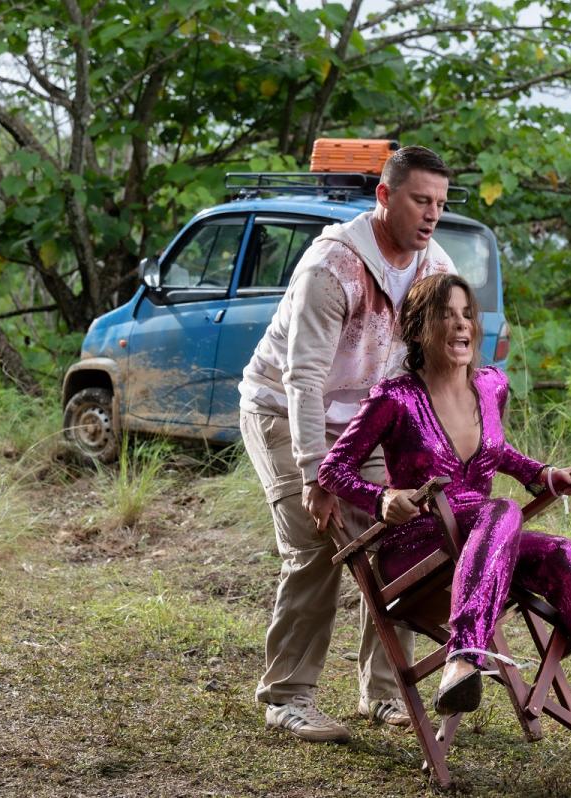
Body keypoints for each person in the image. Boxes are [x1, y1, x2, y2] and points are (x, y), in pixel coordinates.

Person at [318, 273, 571, 766]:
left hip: (485, 547)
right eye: (444, 315)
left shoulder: (492, 385)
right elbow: (334, 469)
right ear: (416, 329)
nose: (460, 325)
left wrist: (539, 472)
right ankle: (466, 652)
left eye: (466, 314)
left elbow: (495, 452)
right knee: (501, 510)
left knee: (561, 553)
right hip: (419, 551)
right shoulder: (394, 397)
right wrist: (381, 496)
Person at [238, 146, 457, 742]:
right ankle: (287, 698)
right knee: (317, 543)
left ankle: (385, 692)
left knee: (402, 532)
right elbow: (302, 379)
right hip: (284, 411)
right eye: (420, 200)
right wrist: (317, 477)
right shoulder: (331, 268)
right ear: (385, 197)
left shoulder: (433, 267)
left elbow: (431, 369)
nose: (432, 214)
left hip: (364, 420)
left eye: (439, 202)